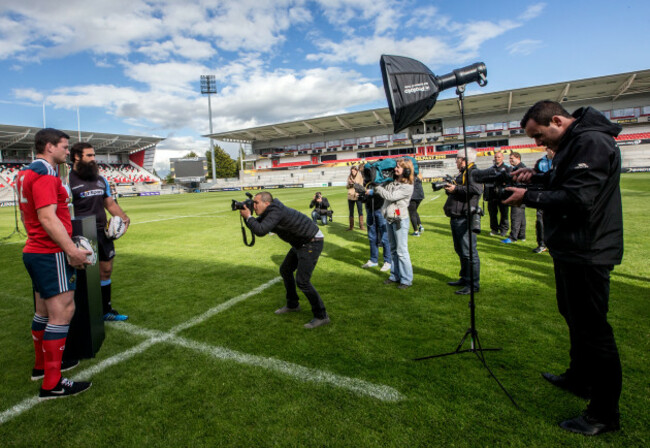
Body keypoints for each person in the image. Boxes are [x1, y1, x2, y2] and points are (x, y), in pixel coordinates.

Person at [506, 100, 623, 436]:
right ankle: (579, 378)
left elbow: (578, 198)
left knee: (593, 330)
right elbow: (567, 183)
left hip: (589, 250)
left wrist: (527, 196)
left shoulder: (592, 141)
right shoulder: (575, 142)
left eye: (539, 136)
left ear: (556, 120)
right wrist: (538, 178)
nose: (539, 144)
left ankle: (603, 415)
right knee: (573, 315)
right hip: (572, 247)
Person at [16, 128, 92, 399]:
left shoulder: (25, 172)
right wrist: (71, 250)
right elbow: (48, 218)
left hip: (34, 250)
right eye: (63, 146)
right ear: (49, 147)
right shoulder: (46, 174)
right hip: (50, 253)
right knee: (62, 312)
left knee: (43, 312)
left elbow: (31, 217)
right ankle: (52, 383)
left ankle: (42, 367)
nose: (66, 151)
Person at [240, 192, 330, 329]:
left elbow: (260, 230)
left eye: (256, 203)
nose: (254, 205)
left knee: (303, 281)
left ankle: (322, 316)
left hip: (312, 241)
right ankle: (293, 305)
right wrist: (248, 217)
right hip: (300, 243)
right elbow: (256, 225)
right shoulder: (270, 211)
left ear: (267, 203)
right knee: (285, 270)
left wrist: (249, 217)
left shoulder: (275, 211)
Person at [69, 142, 131, 321]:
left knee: (106, 270)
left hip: (102, 232)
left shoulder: (100, 179)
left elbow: (110, 204)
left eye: (94, 155)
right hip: (80, 234)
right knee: (82, 275)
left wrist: (125, 220)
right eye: (89, 155)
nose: (93, 159)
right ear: (77, 157)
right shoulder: (68, 181)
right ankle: (81, 314)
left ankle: (105, 311)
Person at [368, 158, 414, 289]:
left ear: (406, 170)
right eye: (396, 166)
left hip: (400, 220)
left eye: (399, 167)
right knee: (393, 249)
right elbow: (383, 190)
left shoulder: (407, 186)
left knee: (401, 251)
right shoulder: (393, 182)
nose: (395, 169)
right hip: (389, 218)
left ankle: (406, 280)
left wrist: (378, 187)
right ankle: (395, 276)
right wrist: (374, 184)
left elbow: (390, 196)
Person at [443, 149, 482, 295]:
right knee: (461, 250)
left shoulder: (473, 172)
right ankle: (465, 278)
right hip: (458, 216)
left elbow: (476, 189)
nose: (455, 161)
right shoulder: (465, 172)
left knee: (468, 252)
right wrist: (451, 187)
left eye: (457, 159)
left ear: (463, 159)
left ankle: (473, 284)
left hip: (465, 217)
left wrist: (456, 188)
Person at [360, 168, 391, 272]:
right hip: (370, 210)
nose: (364, 174)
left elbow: (386, 193)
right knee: (371, 236)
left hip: (380, 210)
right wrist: (361, 195)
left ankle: (388, 261)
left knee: (384, 237)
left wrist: (372, 192)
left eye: (364, 172)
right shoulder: (367, 182)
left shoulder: (383, 180)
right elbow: (366, 197)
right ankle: (373, 260)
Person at [532, 148, 554, 253]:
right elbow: (535, 178)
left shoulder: (561, 161)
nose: (553, 151)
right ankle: (541, 244)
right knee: (540, 220)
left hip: (557, 195)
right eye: (550, 149)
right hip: (543, 195)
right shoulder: (540, 162)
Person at [501, 152, 526, 244]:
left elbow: (519, 184)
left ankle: (513, 237)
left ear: (518, 158)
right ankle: (521, 235)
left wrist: (509, 187)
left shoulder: (520, 169)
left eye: (512, 158)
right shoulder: (518, 168)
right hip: (522, 195)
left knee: (515, 216)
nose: (510, 160)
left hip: (518, 196)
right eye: (509, 158)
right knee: (521, 216)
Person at [485, 151, 511, 237]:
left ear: (502, 158)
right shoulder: (491, 169)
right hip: (492, 194)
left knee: (504, 213)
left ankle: (503, 229)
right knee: (492, 213)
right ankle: (494, 229)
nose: (497, 159)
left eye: (499, 157)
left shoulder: (507, 168)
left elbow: (509, 180)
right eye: (496, 157)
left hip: (503, 194)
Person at [346, 165, 365, 231]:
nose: (353, 172)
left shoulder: (360, 177)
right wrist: (349, 184)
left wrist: (354, 183)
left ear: (356, 171)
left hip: (357, 195)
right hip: (350, 196)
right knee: (351, 211)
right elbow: (347, 187)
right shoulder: (349, 177)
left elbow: (361, 186)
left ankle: (361, 226)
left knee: (360, 211)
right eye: (352, 171)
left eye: (354, 171)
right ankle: (351, 226)